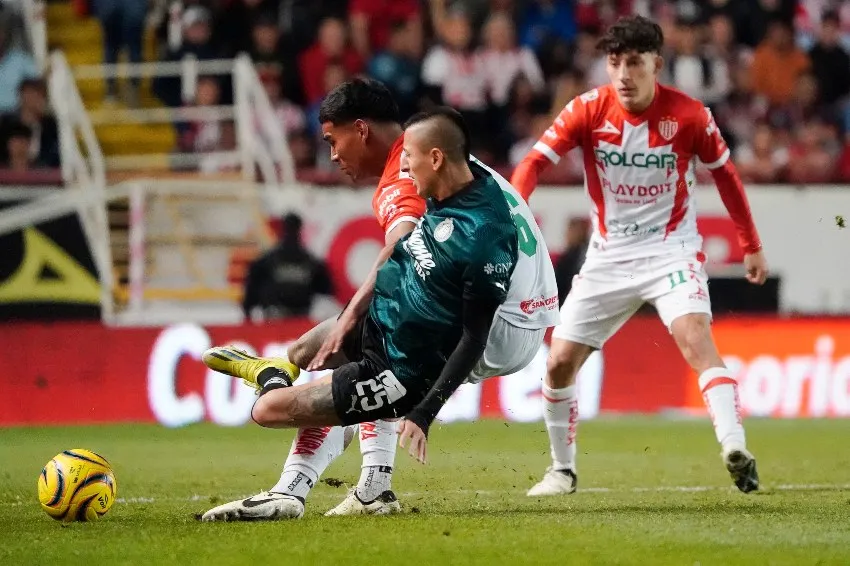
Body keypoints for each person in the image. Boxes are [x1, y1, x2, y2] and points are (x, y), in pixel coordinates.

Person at [200, 86, 558, 521]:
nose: (331, 155)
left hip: (492, 321)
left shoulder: (405, 171)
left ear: (362, 130)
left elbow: (400, 240)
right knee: (311, 351)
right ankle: (370, 487)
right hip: (527, 317)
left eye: (333, 141)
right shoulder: (450, 156)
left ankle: (296, 487)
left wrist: (349, 317)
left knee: (336, 350)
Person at [510, 15, 768, 497]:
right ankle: (561, 471)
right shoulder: (587, 110)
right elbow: (533, 162)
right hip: (609, 256)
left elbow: (727, 178)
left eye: (634, 63)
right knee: (558, 362)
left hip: (671, 251)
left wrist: (750, 244)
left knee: (695, 339)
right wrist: (514, 210)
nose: (624, 74)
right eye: (614, 63)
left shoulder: (689, 116)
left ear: (657, 64)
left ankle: (735, 447)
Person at [241, 213, 335, 321]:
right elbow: (327, 290)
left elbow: (251, 291)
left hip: (276, 319)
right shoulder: (311, 261)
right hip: (298, 319)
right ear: (300, 230)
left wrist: (247, 312)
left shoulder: (266, 260)